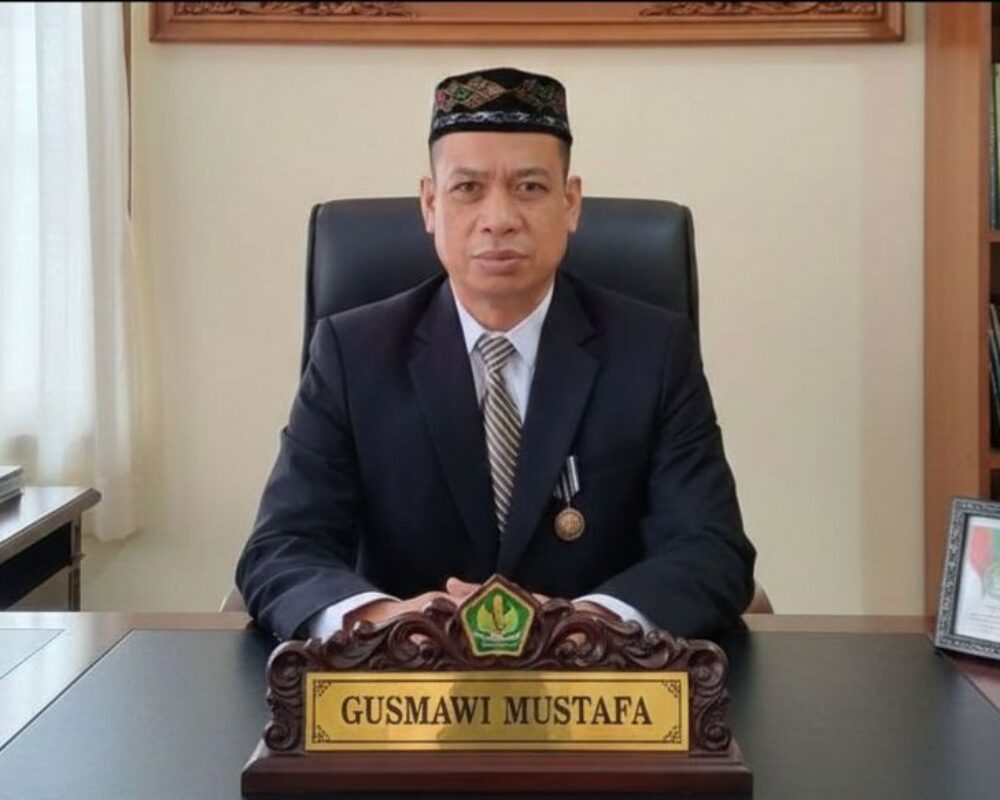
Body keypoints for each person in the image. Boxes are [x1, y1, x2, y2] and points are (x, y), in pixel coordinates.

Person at [235, 67, 756, 642]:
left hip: (592, 678)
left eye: (529, 187)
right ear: (430, 204)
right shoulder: (351, 353)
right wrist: (385, 621)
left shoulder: (653, 351)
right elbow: (281, 548)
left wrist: (584, 624)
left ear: (571, 203)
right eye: (468, 188)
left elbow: (711, 549)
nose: (500, 219)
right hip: (404, 681)